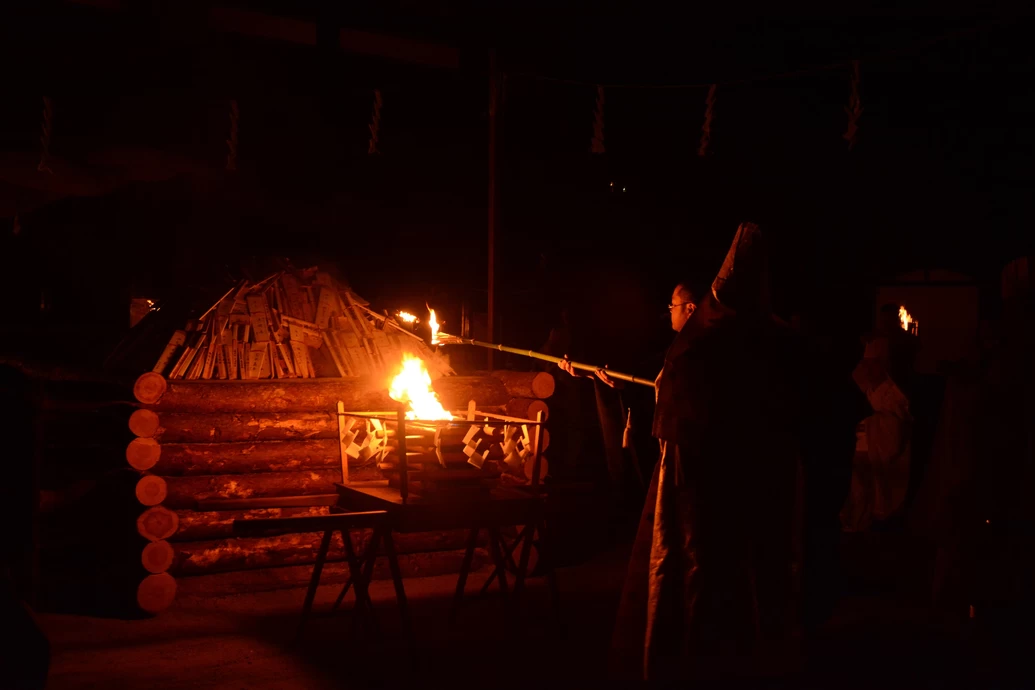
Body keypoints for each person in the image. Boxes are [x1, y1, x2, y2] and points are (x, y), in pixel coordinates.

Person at [562, 224, 802, 682]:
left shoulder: (701, 349)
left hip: (705, 490)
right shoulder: (756, 344)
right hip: (740, 486)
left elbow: (687, 418)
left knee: (701, 571)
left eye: (673, 306)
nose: (668, 313)